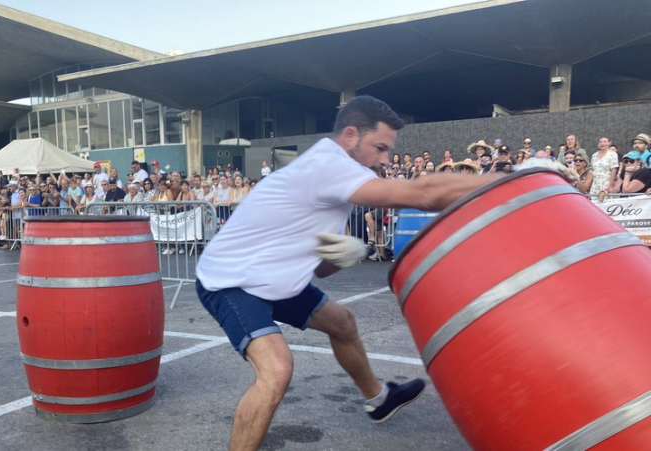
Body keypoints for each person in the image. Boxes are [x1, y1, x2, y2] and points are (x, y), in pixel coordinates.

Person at [195, 96, 498, 451]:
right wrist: (515, 179)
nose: (385, 159)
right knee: (276, 371)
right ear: (350, 135)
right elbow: (425, 193)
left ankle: (378, 398)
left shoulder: (334, 173)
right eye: (380, 147)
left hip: (274, 279)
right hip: (233, 280)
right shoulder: (329, 165)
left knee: (343, 323)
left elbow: (321, 270)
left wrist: (342, 255)